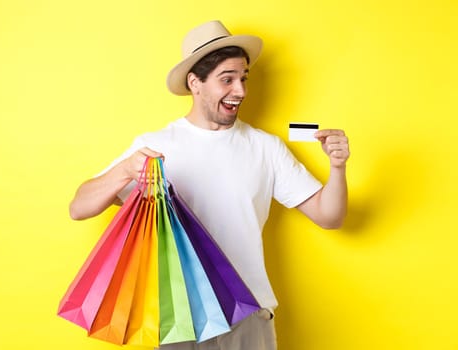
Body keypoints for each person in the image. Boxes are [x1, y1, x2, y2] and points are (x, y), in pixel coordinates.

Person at [69, 20, 350, 350]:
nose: (241, 91)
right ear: (195, 82)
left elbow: (329, 216)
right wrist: (125, 171)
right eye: (227, 79)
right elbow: (79, 207)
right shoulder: (157, 145)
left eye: (244, 78)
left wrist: (338, 167)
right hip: (182, 320)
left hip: (249, 319)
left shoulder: (266, 148)